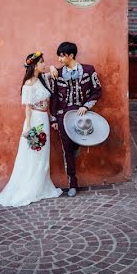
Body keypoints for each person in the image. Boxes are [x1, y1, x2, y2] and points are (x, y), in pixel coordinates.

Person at [0, 52, 63, 207]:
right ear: (34, 65)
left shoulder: (43, 79)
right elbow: (27, 109)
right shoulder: (28, 85)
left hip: (44, 119)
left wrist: (52, 66)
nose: (44, 64)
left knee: (43, 154)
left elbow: (54, 71)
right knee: (34, 153)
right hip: (35, 120)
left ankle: (42, 186)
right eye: (41, 63)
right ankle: (30, 188)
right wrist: (28, 127)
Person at [49, 41, 102, 197]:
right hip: (63, 115)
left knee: (73, 147)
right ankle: (72, 183)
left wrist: (86, 106)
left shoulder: (88, 70)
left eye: (61, 56)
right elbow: (53, 98)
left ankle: (76, 144)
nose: (58, 59)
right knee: (67, 150)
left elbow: (97, 90)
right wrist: (53, 120)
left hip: (81, 115)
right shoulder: (56, 73)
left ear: (70, 55)